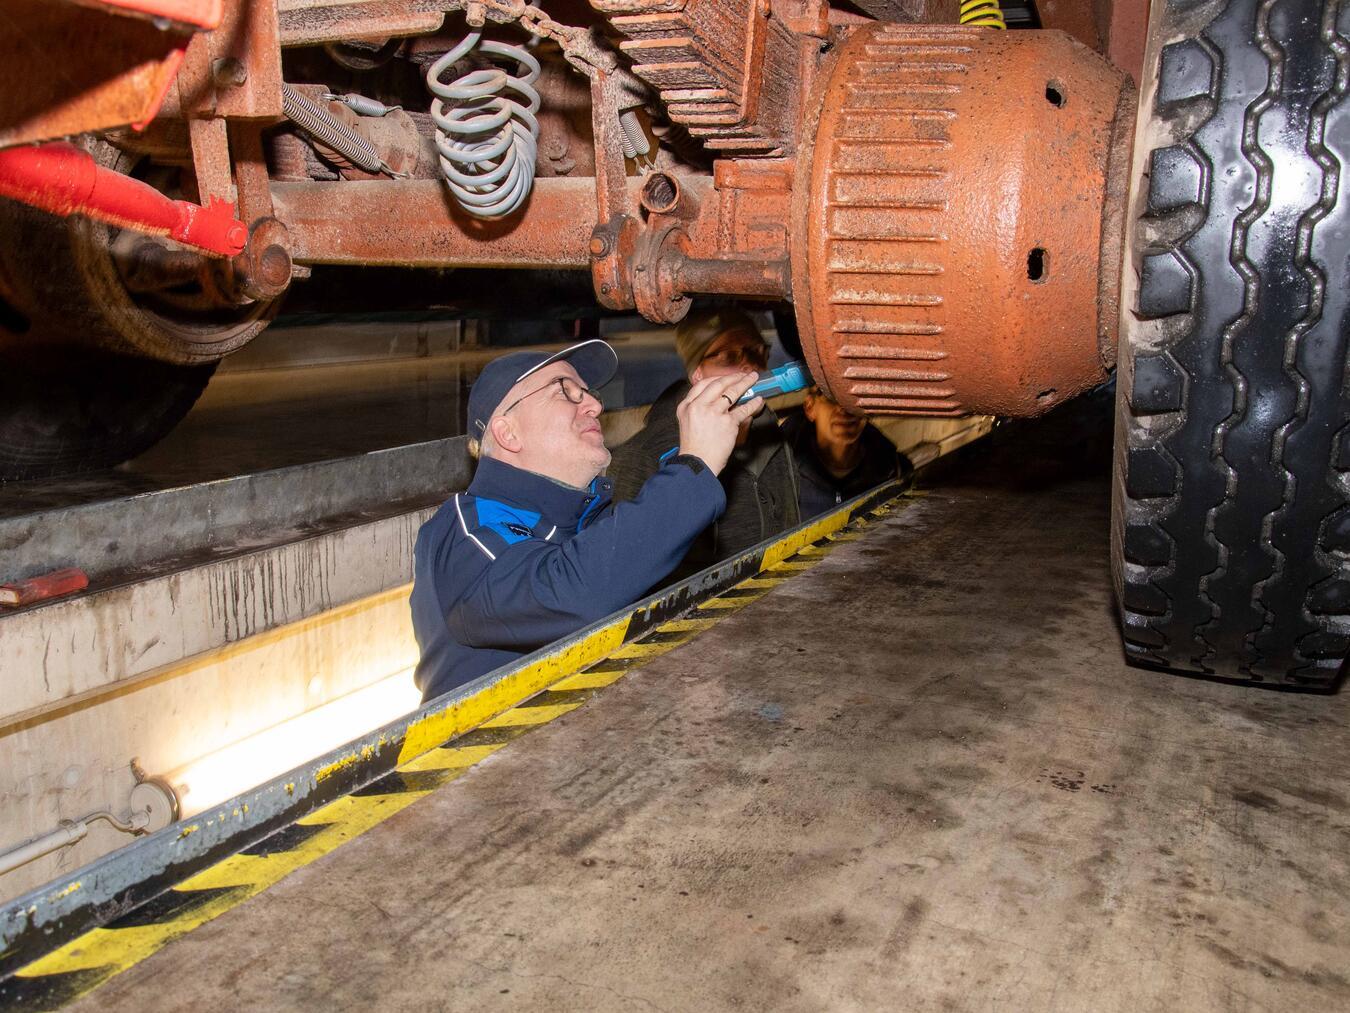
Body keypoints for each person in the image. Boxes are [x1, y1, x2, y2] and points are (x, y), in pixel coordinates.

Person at [410, 338, 763, 702]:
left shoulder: (581, 521)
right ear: (507, 432)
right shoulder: (463, 530)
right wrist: (694, 466)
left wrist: (695, 458)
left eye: (588, 392)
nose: (595, 404)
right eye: (565, 391)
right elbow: (567, 593)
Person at [608, 307, 799, 581]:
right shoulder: (644, 456)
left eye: (757, 352)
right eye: (730, 357)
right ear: (696, 374)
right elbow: (627, 568)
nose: (749, 366)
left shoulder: (771, 435)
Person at [781, 386, 910, 518]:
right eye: (832, 397)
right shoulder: (780, 476)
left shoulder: (893, 471)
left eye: (855, 398)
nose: (846, 409)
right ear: (810, 407)